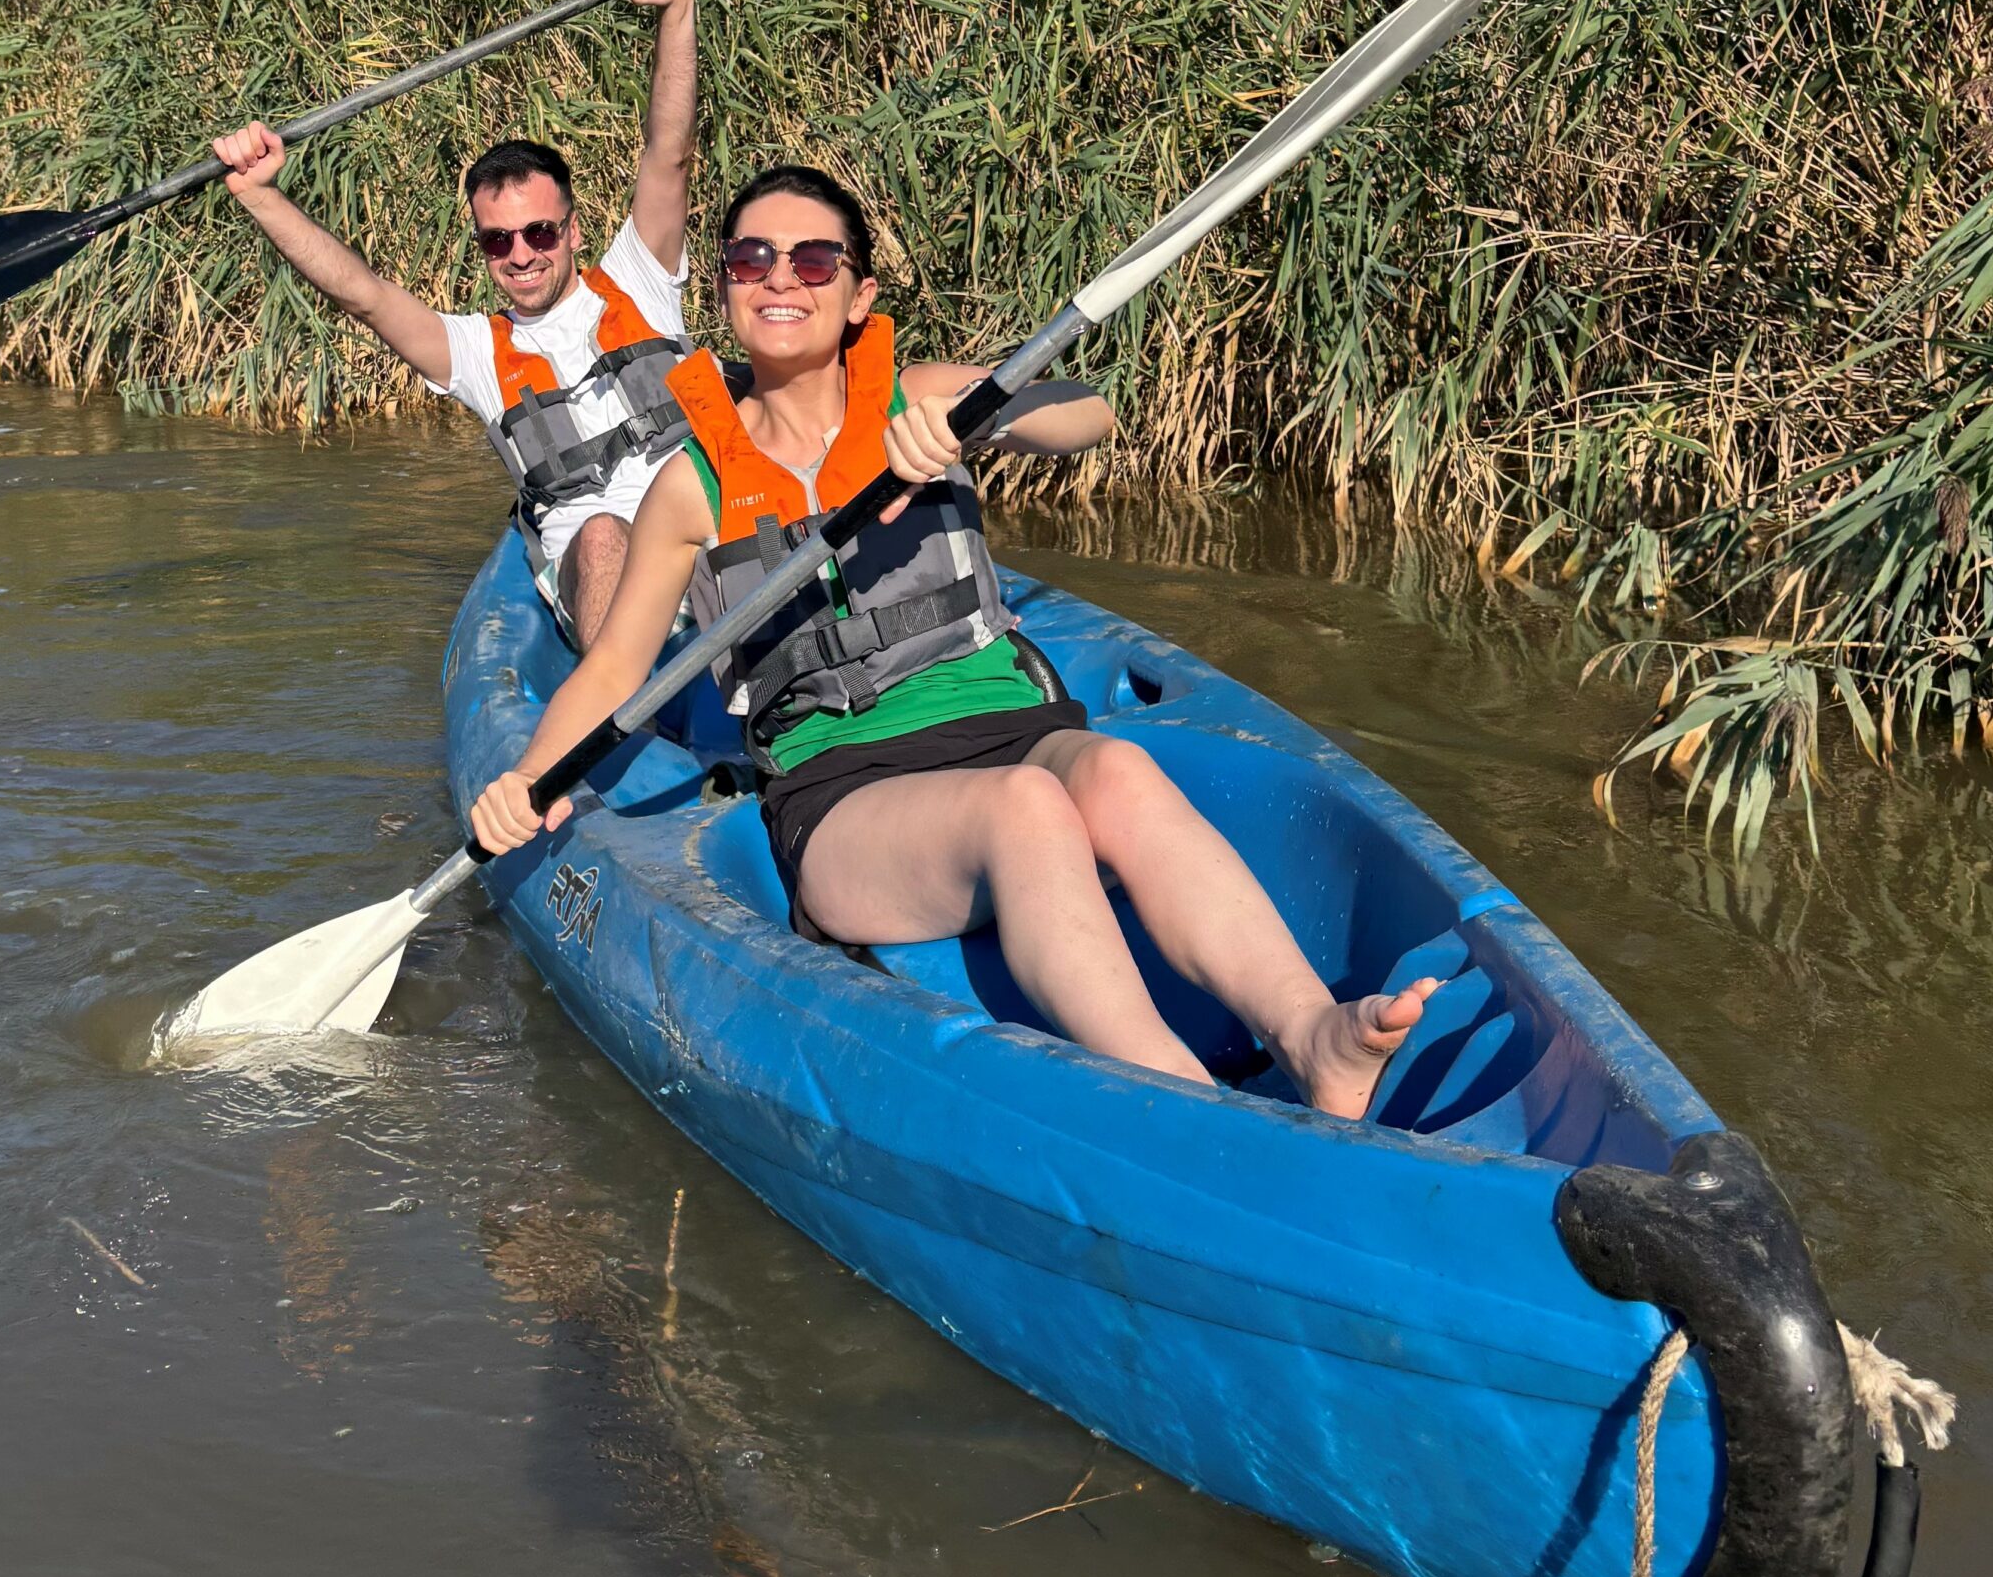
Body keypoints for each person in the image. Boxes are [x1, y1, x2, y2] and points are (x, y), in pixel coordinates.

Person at [467, 165, 1438, 1120]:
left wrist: (976, 419)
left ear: (858, 295)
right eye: (750, 257)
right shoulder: (692, 485)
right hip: (843, 786)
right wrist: (527, 782)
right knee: (1025, 809)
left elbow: (1087, 414)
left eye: (812, 259)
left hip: (1009, 722)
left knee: (1118, 776)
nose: (778, 277)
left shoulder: (921, 396)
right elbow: (616, 667)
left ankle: (1312, 1035)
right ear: (722, 287)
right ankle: (1179, 1098)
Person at [210, 0, 700, 645]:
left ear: (572, 229)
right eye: (497, 241)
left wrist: (675, 8)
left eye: (538, 233)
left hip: (706, 533)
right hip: (609, 572)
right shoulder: (473, 350)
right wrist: (261, 197)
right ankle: (620, 727)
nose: (521, 256)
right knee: (597, 536)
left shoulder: (639, 279)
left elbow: (670, 153)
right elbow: (364, 295)